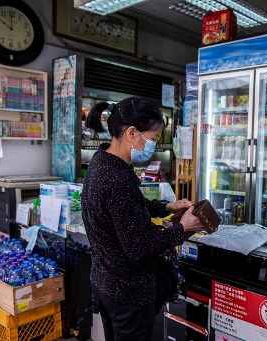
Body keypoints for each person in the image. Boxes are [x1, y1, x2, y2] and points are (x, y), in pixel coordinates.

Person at [81, 97, 203, 341]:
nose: (153, 144)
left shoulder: (103, 161)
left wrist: (165, 206)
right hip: (127, 292)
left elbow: (125, 209)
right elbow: (139, 246)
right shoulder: (116, 178)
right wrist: (182, 228)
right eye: (154, 138)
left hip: (107, 282)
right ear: (132, 133)